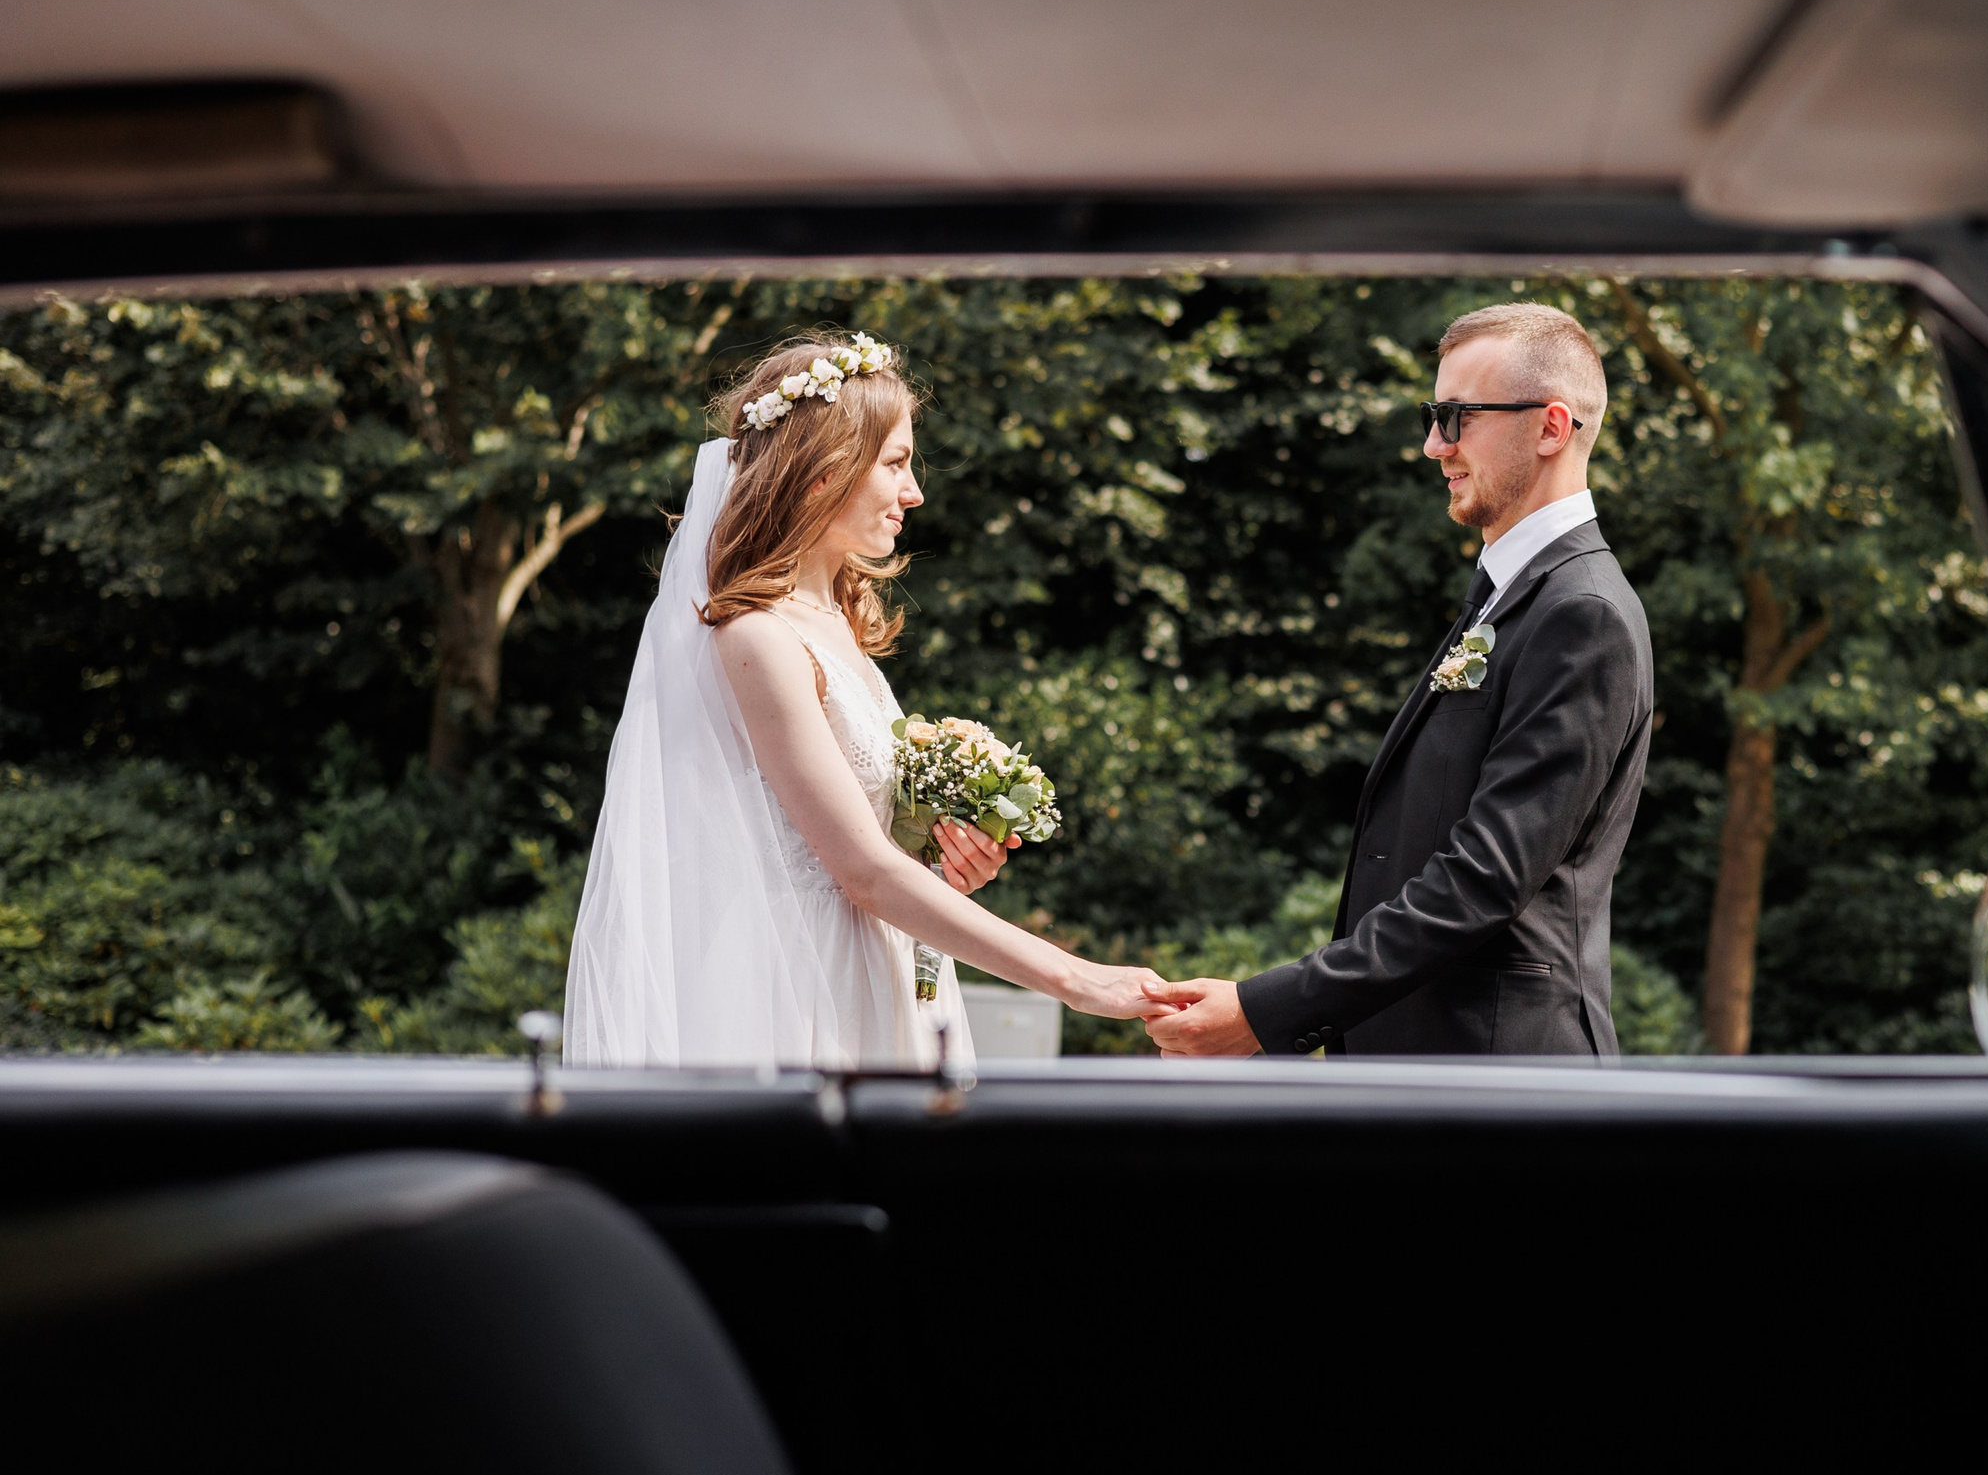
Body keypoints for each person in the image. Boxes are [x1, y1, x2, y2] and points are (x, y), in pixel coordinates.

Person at [565, 334, 1168, 1070]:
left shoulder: (837, 623)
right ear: (822, 471)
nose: (914, 491)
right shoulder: (759, 636)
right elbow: (860, 870)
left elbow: (874, 847)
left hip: (880, 970)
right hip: (807, 989)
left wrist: (936, 849)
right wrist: (1073, 978)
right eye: (896, 462)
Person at [1146, 303, 1653, 1056]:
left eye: (1456, 417)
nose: (1432, 445)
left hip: (1505, 1083)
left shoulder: (1583, 614)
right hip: (1433, 1073)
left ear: (1551, 427)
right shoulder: (1512, 596)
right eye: (1432, 415)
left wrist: (1268, 1009)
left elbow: (1483, 880)